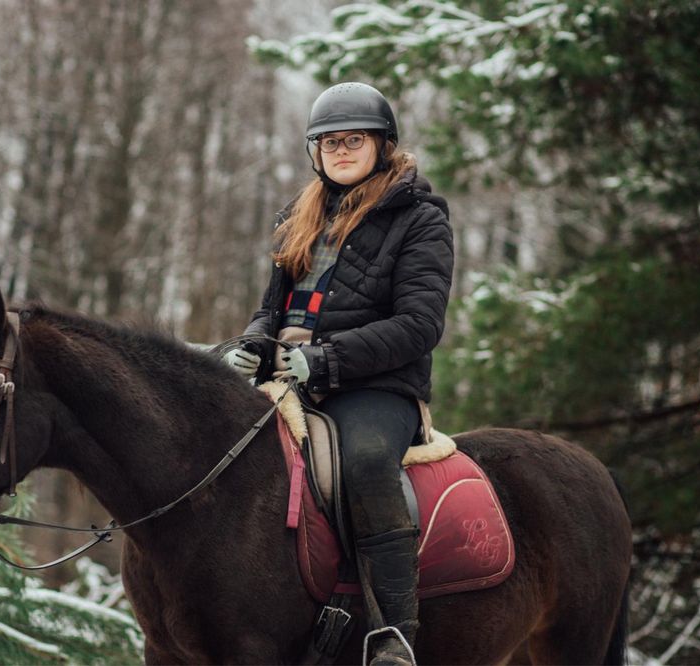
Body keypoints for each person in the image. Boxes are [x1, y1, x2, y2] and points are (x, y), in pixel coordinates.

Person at [224, 82, 453, 665]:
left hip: (376, 387)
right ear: (314, 152)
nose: (340, 150)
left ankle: (393, 634)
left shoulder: (421, 219)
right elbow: (272, 308)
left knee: (368, 465)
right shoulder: (297, 218)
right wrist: (254, 342)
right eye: (328, 142)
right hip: (288, 382)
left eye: (354, 140)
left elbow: (419, 324)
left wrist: (328, 358)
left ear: (383, 144)